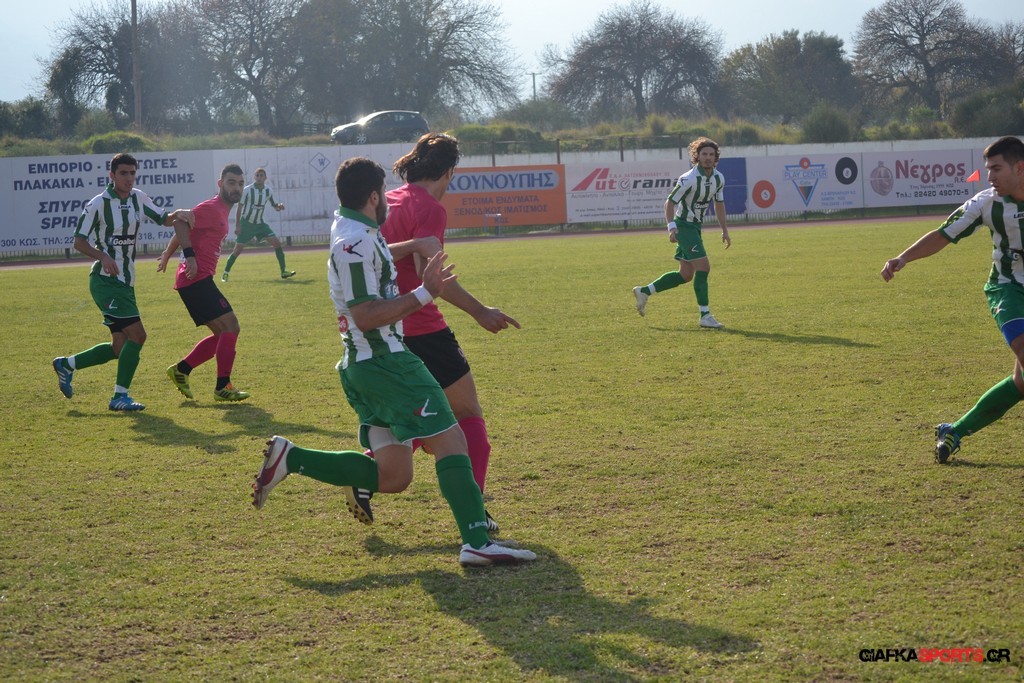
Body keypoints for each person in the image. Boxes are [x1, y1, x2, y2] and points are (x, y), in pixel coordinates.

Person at [251, 157, 536, 566]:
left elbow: (374, 254)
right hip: (386, 363)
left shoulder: (353, 228)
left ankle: (290, 458)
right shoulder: (354, 242)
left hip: (366, 366)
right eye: (383, 193)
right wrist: (425, 292)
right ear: (373, 196)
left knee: (394, 476)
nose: (387, 199)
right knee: (452, 440)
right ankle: (477, 541)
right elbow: (365, 314)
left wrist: (416, 249)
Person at [354, 132, 519, 535]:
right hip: (423, 327)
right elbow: (433, 278)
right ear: (448, 172)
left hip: (384, 326)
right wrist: (480, 311)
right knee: (467, 416)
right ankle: (474, 512)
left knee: (418, 417)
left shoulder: (388, 200)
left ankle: (362, 474)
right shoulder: (428, 208)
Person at [881, 135, 1024, 463]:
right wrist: (903, 258)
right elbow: (943, 235)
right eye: (988, 170)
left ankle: (954, 430)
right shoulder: (986, 203)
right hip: (1008, 288)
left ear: (1019, 168)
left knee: (1021, 382)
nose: (990, 176)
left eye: (996, 169)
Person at [52, 152, 194, 411]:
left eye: (132, 173)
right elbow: (79, 242)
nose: (129, 178)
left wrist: (180, 213)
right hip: (106, 281)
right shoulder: (98, 204)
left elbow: (165, 219)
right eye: (123, 173)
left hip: (125, 283)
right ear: (112, 175)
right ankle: (120, 396)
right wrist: (103, 256)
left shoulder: (139, 198)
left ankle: (67, 364)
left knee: (119, 346)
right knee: (138, 336)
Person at [157, 163, 251, 402]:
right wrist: (189, 256)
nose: (236, 188)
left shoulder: (221, 211)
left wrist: (167, 254)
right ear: (220, 184)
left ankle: (182, 370)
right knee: (231, 326)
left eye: (240, 184)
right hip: (195, 279)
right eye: (231, 182)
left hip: (196, 279)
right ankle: (222, 387)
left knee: (222, 335)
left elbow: (186, 228)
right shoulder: (212, 207)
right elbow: (179, 222)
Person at [632, 136, 732, 328]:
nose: (708, 158)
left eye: (711, 154)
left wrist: (725, 230)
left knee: (686, 275)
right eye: (704, 154)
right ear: (697, 156)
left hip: (695, 227)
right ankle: (705, 316)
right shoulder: (689, 179)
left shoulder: (719, 178)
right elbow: (669, 202)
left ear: (716, 157)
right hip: (684, 227)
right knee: (704, 267)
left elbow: (719, 204)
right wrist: (672, 227)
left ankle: (644, 291)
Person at [221, 167, 294, 281]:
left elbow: (275, 206)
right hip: (246, 224)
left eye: (261, 176)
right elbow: (239, 208)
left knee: (277, 243)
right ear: (254, 177)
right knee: (237, 250)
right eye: (257, 175)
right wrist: (237, 225)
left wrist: (279, 206)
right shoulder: (247, 190)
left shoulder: (268, 191)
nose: (259, 178)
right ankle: (225, 273)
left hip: (260, 224)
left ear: (265, 178)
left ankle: (283, 271)